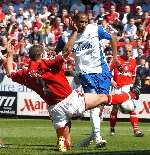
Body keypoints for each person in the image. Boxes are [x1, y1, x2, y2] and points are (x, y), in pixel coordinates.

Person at [5, 43, 141, 152]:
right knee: (103, 98)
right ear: (42, 54)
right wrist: (74, 33)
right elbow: (65, 52)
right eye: (45, 52)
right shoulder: (50, 64)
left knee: (66, 144)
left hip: (55, 109)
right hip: (71, 101)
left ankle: (62, 142)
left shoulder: (25, 73)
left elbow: (10, 72)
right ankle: (133, 94)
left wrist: (10, 56)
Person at [57, 12, 119, 148]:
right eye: (81, 22)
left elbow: (113, 38)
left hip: (102, 72)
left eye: (86, 22)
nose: (84, 24)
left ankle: (91, 136)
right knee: (95, 106)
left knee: (100, 106)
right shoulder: (67, 35)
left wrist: (115, 58)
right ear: (74, 21)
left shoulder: (96, 29)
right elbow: (65, 52)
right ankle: (97, 137)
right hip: (86, 74)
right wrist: (74, 33)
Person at [109, 44, 144, 137]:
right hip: (117, 88)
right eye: (126, 51)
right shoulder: (116, 60)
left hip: (127, 88)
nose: (128, 53)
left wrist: (132, 86)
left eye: (130, 51)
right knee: (115, 109)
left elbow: (133, 75)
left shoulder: (133, 61)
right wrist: (112, 81)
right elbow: (107, 72)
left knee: (132, 108)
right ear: (122, 50)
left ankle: (136, 130)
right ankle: (112, 129)